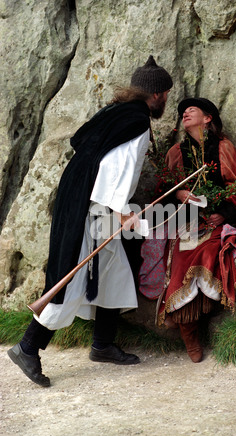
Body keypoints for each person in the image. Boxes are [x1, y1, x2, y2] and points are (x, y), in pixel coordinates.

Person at [7, 55, 173, 387]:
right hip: (92, 206)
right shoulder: (138, 121)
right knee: (71, 275)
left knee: (113, 272)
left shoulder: (115, 112)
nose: (166, 99)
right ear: (156, 94)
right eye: (166, 94)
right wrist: (124, 211)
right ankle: (28, 347)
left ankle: (103, 344)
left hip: (82, 196)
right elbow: (114, 170)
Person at [139, 97, 236, 363]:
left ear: (208, 118)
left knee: (210, 253)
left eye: (192, 110)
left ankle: (198, 322)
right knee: (180, 263)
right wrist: (178, 194)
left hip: (214, 224)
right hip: (186, 223)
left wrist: (222, 212)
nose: (185, 113)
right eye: (182, 112)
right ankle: (189, 334)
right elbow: (162, 192)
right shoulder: (177, 152)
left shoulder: (223, 148)